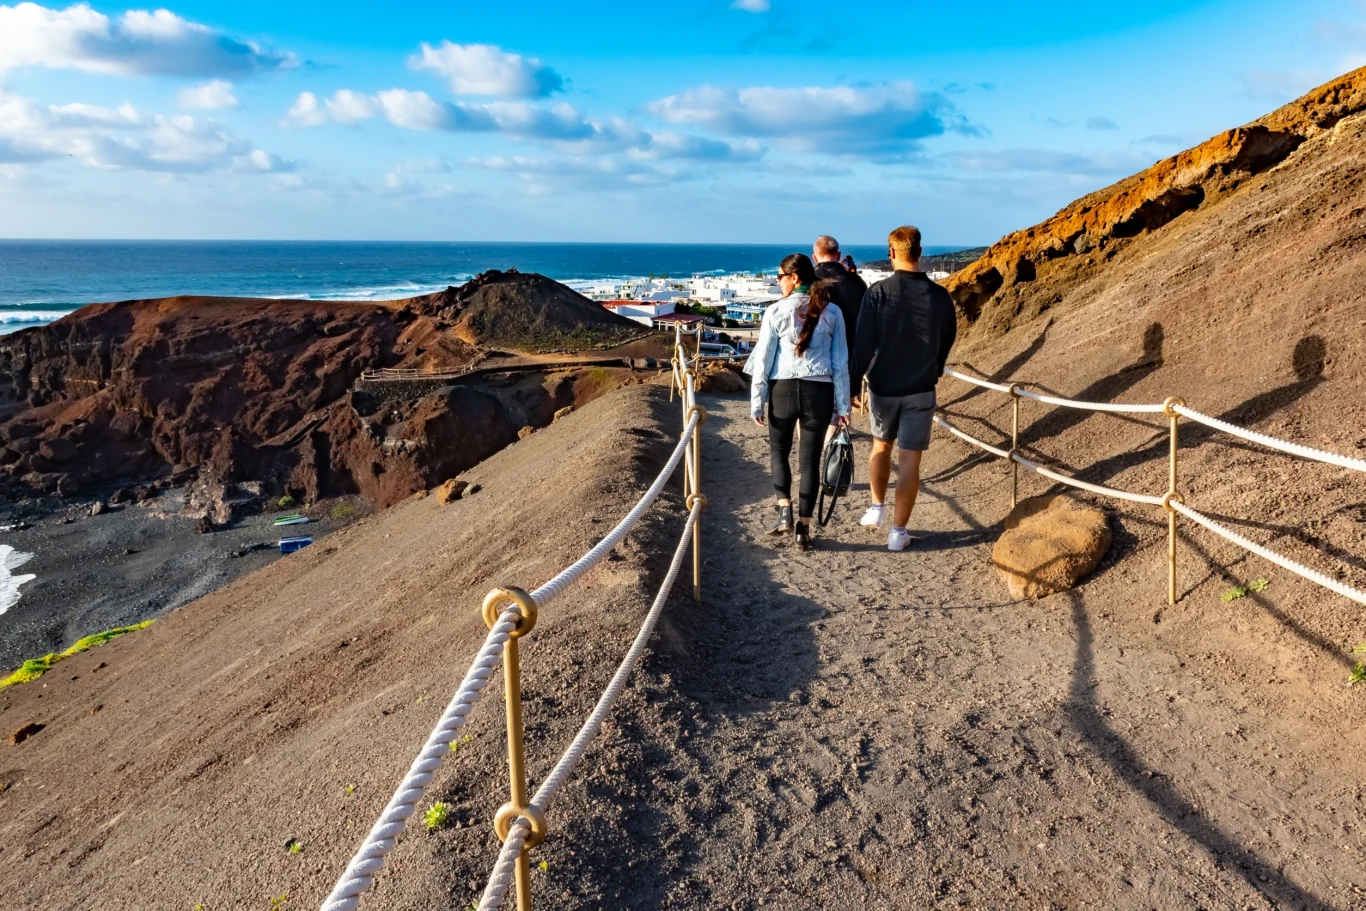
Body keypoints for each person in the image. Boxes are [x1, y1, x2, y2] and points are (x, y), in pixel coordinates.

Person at [850, 225, 957, 552]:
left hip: (883, 386)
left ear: (892, 253)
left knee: (880, 447)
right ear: (920, 253)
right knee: (911, 461)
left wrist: (854, 384)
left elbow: (863, 342)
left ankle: (876, 507)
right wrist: (935, 368)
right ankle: (899, 533)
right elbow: (947, 338)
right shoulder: (939, 296)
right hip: (921, 387)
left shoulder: (878, 293)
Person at [750, 254, 851, 551]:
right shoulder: (833, 312)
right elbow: (840, 364)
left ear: (794, 277)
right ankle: (803, 530)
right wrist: (843, 407)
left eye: (780, 275)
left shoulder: (775, 312)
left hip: (782, 389)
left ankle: (785, 512)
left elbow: (764, 361)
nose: (778, 281)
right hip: (818, 391)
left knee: (779, 452)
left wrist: (757, 400)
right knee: (810, 462)